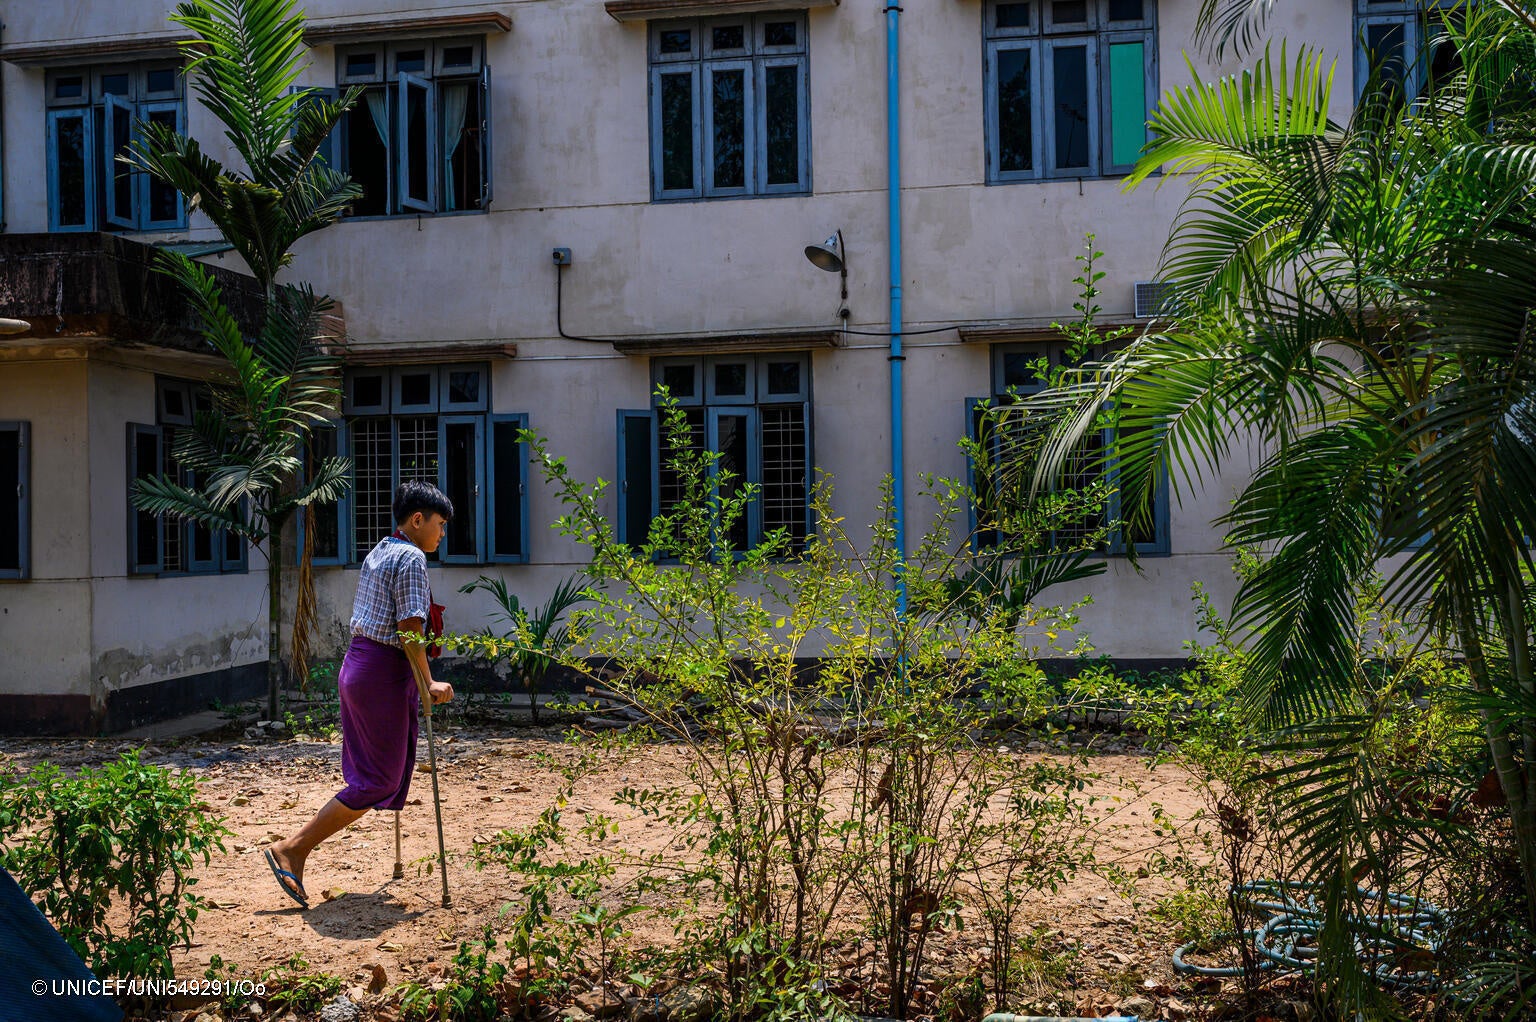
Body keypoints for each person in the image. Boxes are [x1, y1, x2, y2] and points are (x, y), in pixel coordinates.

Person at [264, 481, 456, 908]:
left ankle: (295, 848)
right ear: (418, 520)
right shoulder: (409, 557)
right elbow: (409, 628)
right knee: (379, 779)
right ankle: (293, 848)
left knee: (377, 773)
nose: (442, 534)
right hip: (382, 673)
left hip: (361, 665)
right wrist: (429, 682)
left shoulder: (380, 550)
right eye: (440, 525)